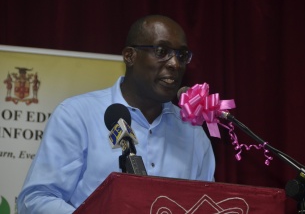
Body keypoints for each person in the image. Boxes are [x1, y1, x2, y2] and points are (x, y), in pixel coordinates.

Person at [17, 14, 215, 214]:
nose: (175, 64)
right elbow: (36, 200)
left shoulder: (192, 134)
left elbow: (208, 206)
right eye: (161, 51)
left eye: (181, 55)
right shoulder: (78, 116)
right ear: (130, 56)